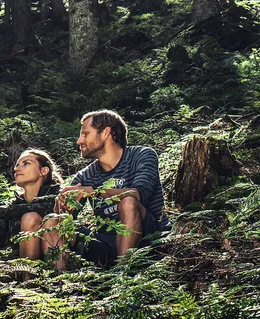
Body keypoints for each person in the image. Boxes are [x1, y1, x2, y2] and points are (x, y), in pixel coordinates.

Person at [42, 109, 170, 268]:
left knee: (128, 202)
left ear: (105, 133)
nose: (79, 141)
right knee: (52, 220)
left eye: (85, 134)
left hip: (150, 240)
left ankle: (123, 278)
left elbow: (139, 194)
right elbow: (66, 217)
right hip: (105, 245)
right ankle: (57, 284)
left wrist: (93, 192)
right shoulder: (86, 175)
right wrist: (63, 204)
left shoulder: (142, 155)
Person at [0, 149, 63, 284]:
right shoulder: (12, 204)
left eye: (26, 163)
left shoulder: (58, 194)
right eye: (17, 165)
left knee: (30, 217)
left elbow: (46, 207)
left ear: (43, 171)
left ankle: (29, 287)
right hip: (14, 267)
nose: (17, 168)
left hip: (47, 268)